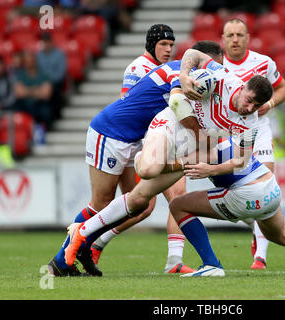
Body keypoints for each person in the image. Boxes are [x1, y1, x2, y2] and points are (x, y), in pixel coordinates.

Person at [61, 48, 274, 271]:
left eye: (256, 106)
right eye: (249, 100)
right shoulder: (223, 77)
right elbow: (193, 54)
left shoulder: (251, 119)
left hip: (195, 145)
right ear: (243, 87)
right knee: (148, 170)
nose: (249, 108)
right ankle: (145, 155)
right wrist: (183, 75)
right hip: (172, 123)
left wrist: (210, 170)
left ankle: (82, 231)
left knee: (139, 199)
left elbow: (242, 159)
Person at [46, 42, 226, 277]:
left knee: (140, 205)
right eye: (216, 67)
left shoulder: (185, 74)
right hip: (111, 132)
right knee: (101, 202)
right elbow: (177, 105)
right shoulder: (179, 74)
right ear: (203, 62)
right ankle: (62, 260)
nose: (218, 75)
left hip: (134, 140)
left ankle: (85, 248)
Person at [168, 135, 285, 277]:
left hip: (246, 194)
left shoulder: (203, 146)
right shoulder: (225, 134)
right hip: (270, 187)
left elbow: (162, 171)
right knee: (281, 235)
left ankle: (211, 264)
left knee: (178, 206)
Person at [90, 24, 194, 275]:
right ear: (151, 45)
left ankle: (174, 261)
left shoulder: (171, 71)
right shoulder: (138, 68)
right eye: (163, 45)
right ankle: (87, 244)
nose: (168, 50)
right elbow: (134, 108)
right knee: (119, 203)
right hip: (134, 142)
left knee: (173, 199)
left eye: (171, 45)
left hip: (153, 141)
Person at [222, 18, 285, 269]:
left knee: (265, 185)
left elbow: (283, 88)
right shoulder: (216, 64)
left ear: (248, 37)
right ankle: (254, 224)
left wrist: (268, 105)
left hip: (258, 130)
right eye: (230, 35)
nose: (235, 40)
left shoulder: (263, 63)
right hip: (227, 133)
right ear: (223, 38)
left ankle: (260, 254)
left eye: (240, 35)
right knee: (237, 188)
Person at [13, 50, 53, 134]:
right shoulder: (21, 75)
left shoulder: (43, 74)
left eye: (30, 60)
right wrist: (37, 90)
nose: (29, 63)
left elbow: (46, 94)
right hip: (25, 106)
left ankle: (42, 131)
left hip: (39, 106)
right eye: (26, 61)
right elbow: (19, 93)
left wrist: (27, 90)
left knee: (45, 111)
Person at [36, 32, 67, 120]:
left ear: (51, 42)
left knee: (53, 90)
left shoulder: (59, 54)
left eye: (47, 42)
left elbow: (61, 73)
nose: (46, 44)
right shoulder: (38, 55)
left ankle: (55, 115)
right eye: (44, 42)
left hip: (55, 83)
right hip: (41, 84)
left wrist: (48, 82)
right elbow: (37, 72)